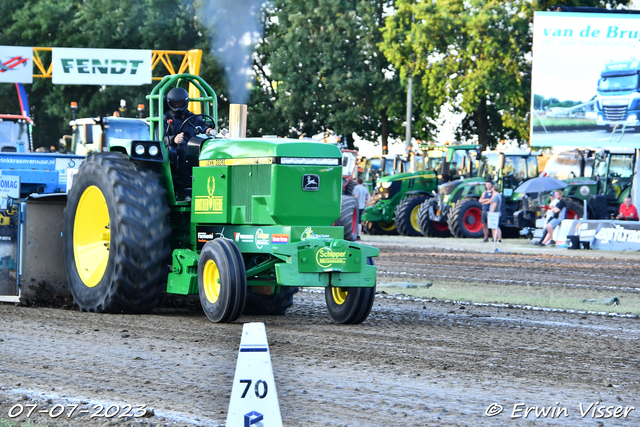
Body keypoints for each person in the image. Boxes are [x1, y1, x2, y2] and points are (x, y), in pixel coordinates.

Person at [163, 87, 215, 199]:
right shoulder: (165, 118)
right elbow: (160, 138)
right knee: (184, 150)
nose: (177, 106)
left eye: (180, 103)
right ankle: (187, 187)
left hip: (195, 146)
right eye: (174, 104)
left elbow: (202, 128)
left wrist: (207, 131)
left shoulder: (194, 118)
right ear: (169, 104)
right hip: (174, 149)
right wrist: (173, 139)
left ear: (186, 102)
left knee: (209, 150)